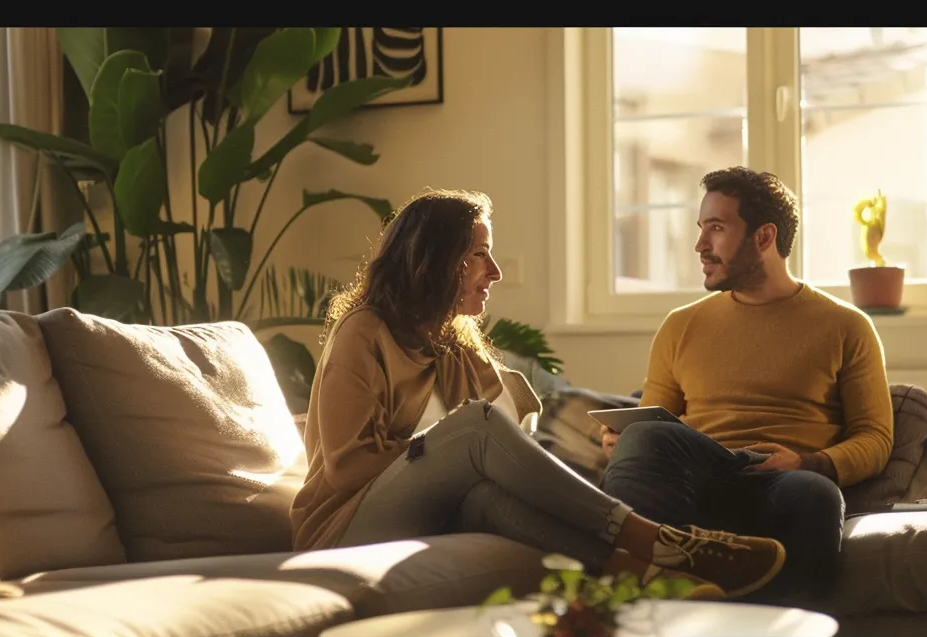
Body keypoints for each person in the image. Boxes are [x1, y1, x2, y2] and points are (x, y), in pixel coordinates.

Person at [288, 187, 788, 599]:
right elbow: (348, 467)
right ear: (434, 261)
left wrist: (479, 457)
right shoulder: (363, 332)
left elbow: (514, 436)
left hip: (427, 511)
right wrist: (442, 452)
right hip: (343, 525)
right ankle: (664, 540)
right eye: (479, 255)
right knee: (472, 426)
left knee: (488, 497)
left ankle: (652, 579)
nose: (496, 272)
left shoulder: (455, 343)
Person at [599, 167, 894, 604]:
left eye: (716, 228)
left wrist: (810, 463)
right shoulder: (681, 325)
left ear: (764, 236)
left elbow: (876, 436)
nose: (700, 245)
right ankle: (636, 607)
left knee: (816, 495)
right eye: (701, 229)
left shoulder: (846, 326)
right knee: (643, 436)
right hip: (699, 474)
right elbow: (654, 421)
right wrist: (621, 440)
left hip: (779, 481)